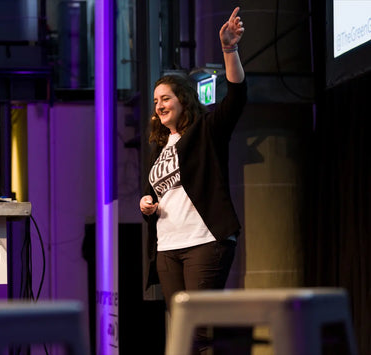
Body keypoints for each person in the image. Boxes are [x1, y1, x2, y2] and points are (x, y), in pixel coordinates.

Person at [140, 7, 247, 354]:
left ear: (183, 100)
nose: (159, 105)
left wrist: (229, 51)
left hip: (204, 241)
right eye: (156, 101)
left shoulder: (206, 132)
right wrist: (146, 204)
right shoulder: (160, 145)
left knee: (197, 333)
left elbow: (236, 99)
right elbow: (156, 193)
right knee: (182, 330)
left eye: (166, 98)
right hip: (168, 247)